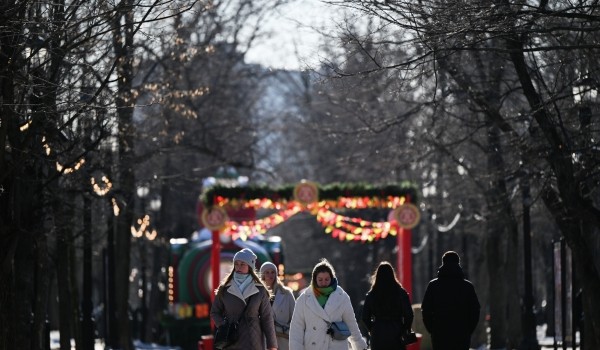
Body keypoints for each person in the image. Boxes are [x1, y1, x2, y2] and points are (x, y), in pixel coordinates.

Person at [289, 258, 368, 350]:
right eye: (320, 279)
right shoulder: (304, 298)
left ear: (332, 278)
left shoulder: (342, 297)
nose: (323, 283)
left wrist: (360, 346)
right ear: (315, 279)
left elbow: (351, 324)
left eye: (327, 279)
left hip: (336, 346)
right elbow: (296, 329)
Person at [210, 248, 277, 350]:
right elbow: (215, 312)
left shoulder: (259, 289)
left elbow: (267, 318)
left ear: (250, 267)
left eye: (242, 264)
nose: (239, 267)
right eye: (236, 264)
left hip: (253, 340)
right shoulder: (225, 288)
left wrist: (272, 345)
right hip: (232, 340)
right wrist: (224, 326)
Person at [421, 251, 480, 350]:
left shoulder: (433, 286)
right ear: (458, 263)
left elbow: (426, 310)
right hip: (461, 333)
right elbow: (475, 311)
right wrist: (468, 330)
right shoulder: (467, 287)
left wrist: (433, 329)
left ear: (443, 263)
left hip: (440, 333)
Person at [361, 261, 414, 350]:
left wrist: (372, 329)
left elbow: (365, 317)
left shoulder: (372, 294)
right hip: (397, 333)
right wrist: (405, 329)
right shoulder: (401, 293)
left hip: (378, 333)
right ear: (393, 275)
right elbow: (409, 315)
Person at [260, 262, 296, 350]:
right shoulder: (257, 294)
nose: (270, 275)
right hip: (265, 340)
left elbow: (295, 319)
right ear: (262, 275)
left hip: (283, 339)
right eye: (267, 272)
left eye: (272, 272)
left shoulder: (287, 294)